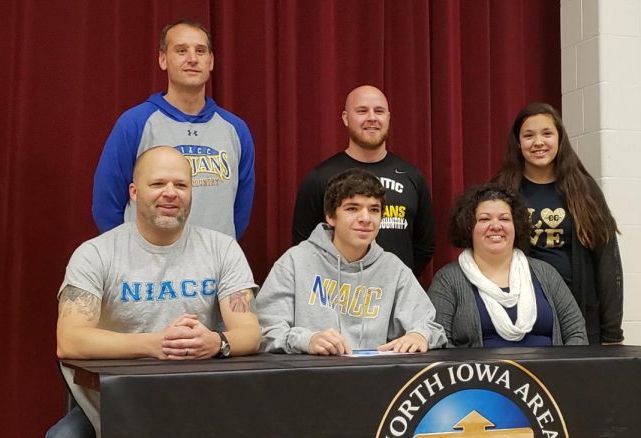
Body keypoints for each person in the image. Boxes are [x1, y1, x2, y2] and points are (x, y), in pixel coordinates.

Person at [49, 147, 261, 437]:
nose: (171, 193)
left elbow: (250, 333)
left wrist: (217, 342)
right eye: (158, 184)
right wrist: (157, 345)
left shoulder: (222, 249)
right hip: (112, 406)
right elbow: (70, 341)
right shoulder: (94, 254)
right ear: (134, 192)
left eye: (181, 185)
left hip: (199, 402)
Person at [92, 19, 255, 240]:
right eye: (181, 50)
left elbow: (239, 212)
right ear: (163, 59)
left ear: (211, 61)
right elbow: (106, 205)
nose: (192, 59)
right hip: (145, 268)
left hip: (215, 267)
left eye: (200, 51)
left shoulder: (236, 130)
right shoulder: (135, 124)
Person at [257, 168, 445, 355]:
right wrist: (307, 340)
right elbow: (264, 331)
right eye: (352, 208)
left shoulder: (394, 269)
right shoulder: (294, 262)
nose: (365, 218)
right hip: (311, 378)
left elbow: (432, 327)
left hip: (376, 379)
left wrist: (419, 335)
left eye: (374, 210)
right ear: (331, 216)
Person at [492, 102, 623, 345]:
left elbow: (608, 262)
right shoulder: (501, 191)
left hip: (580, 311)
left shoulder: (585, 191)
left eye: (547, 134)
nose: (538, 142)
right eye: (529, 135)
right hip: (521, 316)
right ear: (518, 143)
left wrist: (612, 333)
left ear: (560, 140)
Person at [291, 85, 434, 274]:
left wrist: (394, 280)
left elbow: (425, 246)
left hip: (396, 295)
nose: (372, 118)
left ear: (388, 118)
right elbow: (304, 247)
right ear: (345, 118)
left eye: (379, 111)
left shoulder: (412, 177)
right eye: (362, 111)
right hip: (338, 296)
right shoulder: (320, 178)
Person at [427, 184, 587, 347]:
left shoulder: (545, 273)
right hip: (481, 372)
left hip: (550, 372)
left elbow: (576, 332)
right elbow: (439, 340)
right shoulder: (448, 280)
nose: (496, 226)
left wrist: (563, 371)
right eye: (484, 219)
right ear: (468, 226)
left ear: (516, 226)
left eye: (504, 219)